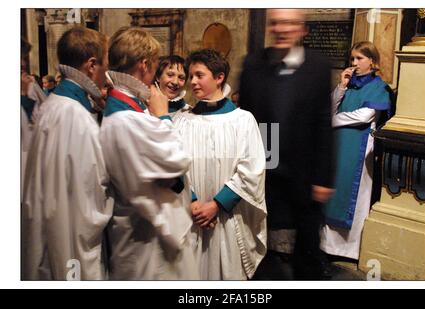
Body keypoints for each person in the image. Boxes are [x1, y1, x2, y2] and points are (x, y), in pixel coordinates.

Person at [239, 9, 334, 280]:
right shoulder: (253, 64)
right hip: (266, 163)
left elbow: (323, 123)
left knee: (307, 243)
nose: (282, 29)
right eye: (277, 23)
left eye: (290, 23)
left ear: (302, 29)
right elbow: (247, 119)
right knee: (259, 236)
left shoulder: (318, 66)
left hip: (306, 169)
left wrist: (323, 177)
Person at [100, 27, 199, 280]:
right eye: (156, 65)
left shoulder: (125, 107)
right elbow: (177, 159)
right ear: (144, 64)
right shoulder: (127, 118)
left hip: (145, 230)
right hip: (147, 237)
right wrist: (163, 116)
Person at [21, 26, 112, 280]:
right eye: (105, 65)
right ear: (91, 65)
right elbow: (90, 193)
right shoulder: (75, 115)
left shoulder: (52, 105)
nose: (107, 74)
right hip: (70, 237)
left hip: (47, 225)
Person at [174, 49, 267, 280]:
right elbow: (174, 165)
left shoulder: (243, 120)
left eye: (199, 75)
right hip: (190, 216)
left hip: (227, 218)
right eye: (191, 75)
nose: (192, 81)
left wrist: (217, 205)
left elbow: (251, 170)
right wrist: (193, 201)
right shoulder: (181, 121)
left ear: (219, 77)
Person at [320, 41, 392, 260]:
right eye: (352, 59)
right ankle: (326, 246)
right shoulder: (349, 84)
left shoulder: (379, 87)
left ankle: (348, 249)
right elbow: (331, 106)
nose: (354, 63)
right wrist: (341, 86)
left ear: (372, 60)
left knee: (353, 195)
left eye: (360, 58)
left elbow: (364, 116)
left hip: (360, 147)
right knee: (334, 190)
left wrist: (333, 120)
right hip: (339, 144)